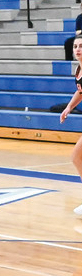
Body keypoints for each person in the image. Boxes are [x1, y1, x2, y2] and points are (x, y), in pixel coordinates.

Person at [60, 35, 82, 215]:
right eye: (75, 46)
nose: (77, 49)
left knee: (77, 155)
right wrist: (68, 107)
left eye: (81, 46)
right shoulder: (78, 69)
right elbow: (80, 91)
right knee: (77, 156)